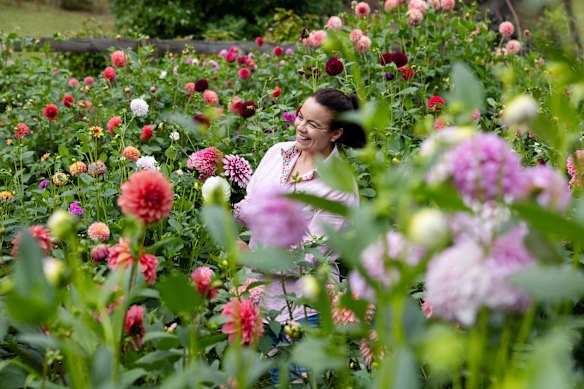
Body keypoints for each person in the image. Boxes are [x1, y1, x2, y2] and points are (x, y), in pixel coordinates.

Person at [234, 88, 366, 382]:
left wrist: (247, 255)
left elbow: (307, 258)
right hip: (255, 300)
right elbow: (252, 205)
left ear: (336, 133)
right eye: (300, 116)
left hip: (300, 311)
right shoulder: (277, 153)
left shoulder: (340, 187)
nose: (301, 127)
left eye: (313, 124)